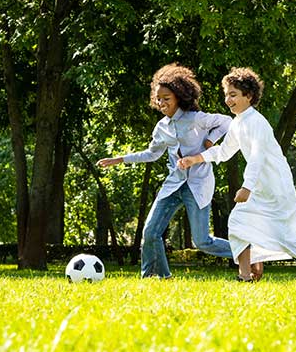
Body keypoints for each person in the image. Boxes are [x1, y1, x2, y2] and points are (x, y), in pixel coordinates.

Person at [177, 67, 296, 283]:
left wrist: (247, 187)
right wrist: (195, 159)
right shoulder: (237, 123)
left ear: (249, 96)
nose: (228, 99)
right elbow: (224, 151)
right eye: (226, 94)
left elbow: (257, 157)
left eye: (233, 94)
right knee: (237, 222)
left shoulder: (257, 122)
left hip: (276, 187)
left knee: (284, 233)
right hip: (258, 187)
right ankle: (245, 276)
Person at [97, 63, 235, 279]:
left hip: (198, 184)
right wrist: (120, 159)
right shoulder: (162, 127)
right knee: (150, 232)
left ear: (179, 97)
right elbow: (152, 153)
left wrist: (210, 140)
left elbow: (227, 122)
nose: (161, 103)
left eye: (166, 98)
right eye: (158, 98)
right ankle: (157, 277)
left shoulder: (196, 118)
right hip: (174, 184)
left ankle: (247, 254)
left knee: (202, 241)